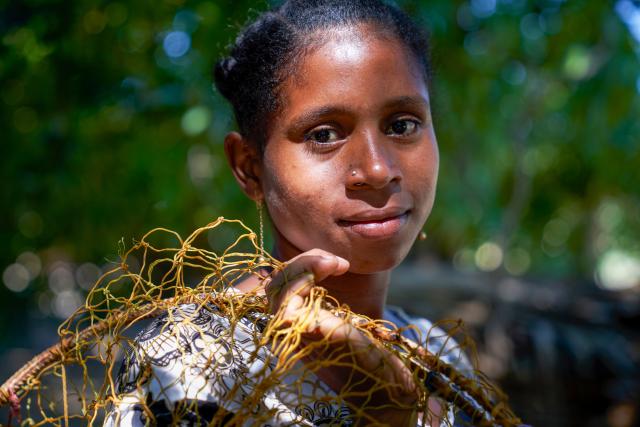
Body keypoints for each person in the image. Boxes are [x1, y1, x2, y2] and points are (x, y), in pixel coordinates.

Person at [104, 0, 473, 425]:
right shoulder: (192, 365)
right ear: (249, 168)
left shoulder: (437, 353)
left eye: (403, 125)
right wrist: (387, 412)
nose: (377, 170)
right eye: (324, 134)